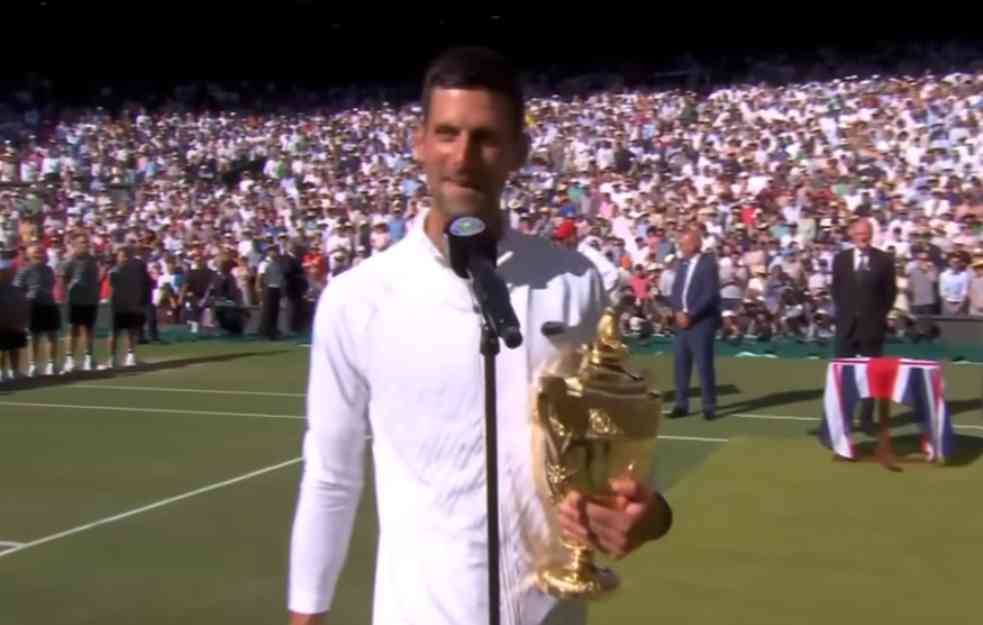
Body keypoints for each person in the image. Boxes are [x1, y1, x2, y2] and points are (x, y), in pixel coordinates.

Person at [287, 47, 672, 625]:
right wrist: (306, 615)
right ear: (419, 141)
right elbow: (331, 476)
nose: (462, 157)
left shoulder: (573, 281)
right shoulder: (358, 299)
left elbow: (610, 452)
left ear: (518, 151)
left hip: (552, 612)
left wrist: (648, 515)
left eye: (486, 138)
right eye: (446, 133)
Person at [831, 218, 898, 427]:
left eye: (867, 233)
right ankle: (844, 417)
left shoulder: (884, 260)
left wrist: (877, 315)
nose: (864, 237)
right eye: (860, 233)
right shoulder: (841, 259)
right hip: (846, 326)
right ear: (851, 234)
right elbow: (836, 289)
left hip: (872, 326)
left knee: (871, 374)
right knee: (845, 375)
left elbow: (890, 292)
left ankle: (867, 418)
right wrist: (846, 312)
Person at [668, 227, 722, 419]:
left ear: (695, 244)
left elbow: (709, 295)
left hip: (701, 322)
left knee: (703, 364)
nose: (680, 247)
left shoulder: (708, 264)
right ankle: (681, 404)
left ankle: (709, 405)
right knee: (681, 364)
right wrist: (677, 311)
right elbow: (676, 291)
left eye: (683, 243)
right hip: (681, 322)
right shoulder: (681, 264)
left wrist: (690, 314)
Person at [14, 243, 61, 376]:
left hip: (50, 304)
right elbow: (17, 289)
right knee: (35, 337)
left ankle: (54, 364)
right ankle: (35, 365)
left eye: (41, 252)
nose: (39, 255)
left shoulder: (49, 270)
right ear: (29, 255)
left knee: (53, 336)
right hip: (34, 306)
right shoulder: (24, 270)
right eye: (35, 252)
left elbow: (51, 285)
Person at [59, 233, 102, 372]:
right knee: (73, 329)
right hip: (74, 300)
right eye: (82, 242)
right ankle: (69, 359)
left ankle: (89, 358)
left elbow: (96, 279)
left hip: (90, 300)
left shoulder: (92, 260)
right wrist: (65, 295)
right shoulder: (69, 261)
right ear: (75, 244)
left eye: (86, 242)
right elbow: (62, 280)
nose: (85, 244)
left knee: (89, 329)